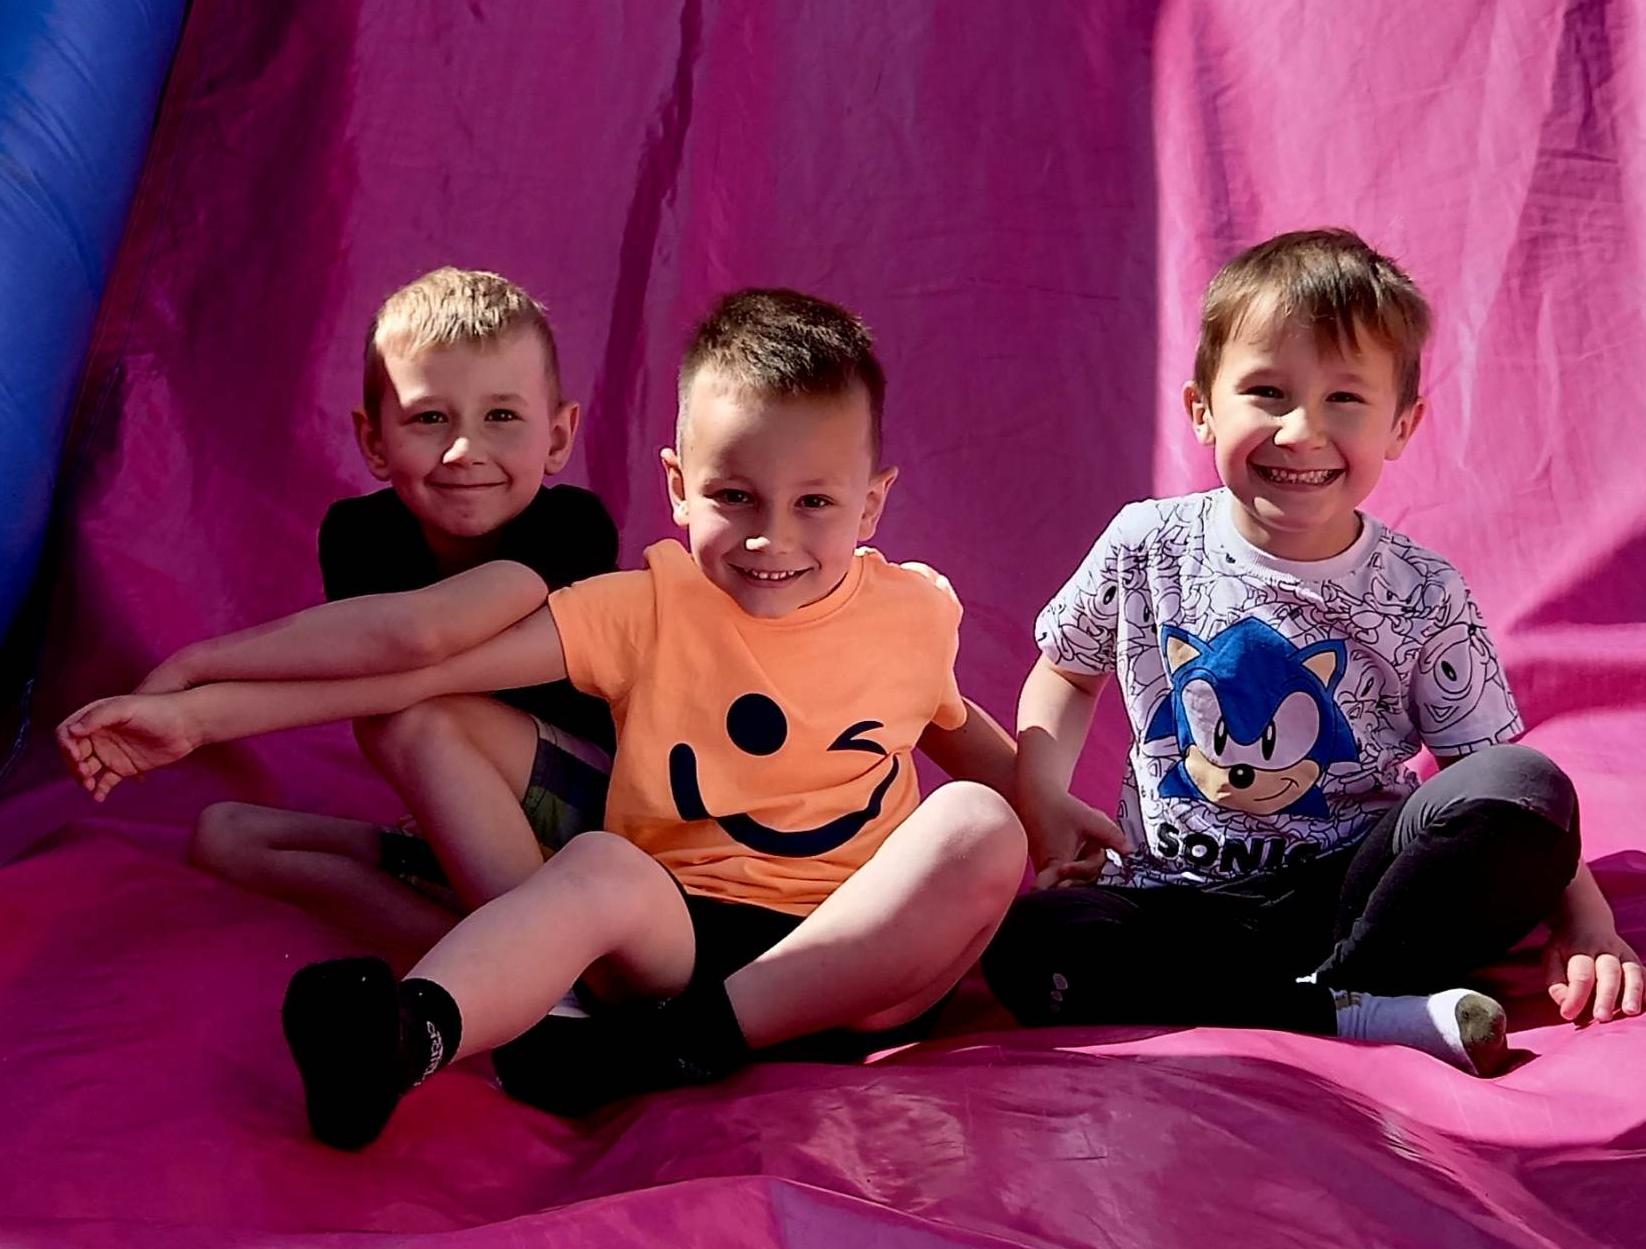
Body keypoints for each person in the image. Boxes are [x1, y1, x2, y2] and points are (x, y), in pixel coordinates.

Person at [58, 288, 1025, 1146]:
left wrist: (1049, 809)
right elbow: (427, 670)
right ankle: (408, 1039)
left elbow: (950, 724)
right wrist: (202, 717)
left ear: (872, 504)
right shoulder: (642, 605)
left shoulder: (913, 607)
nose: (772, 536)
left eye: (815, 501)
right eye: (735, 496)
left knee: (982, 822)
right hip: (681, 940)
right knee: (598, 865)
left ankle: (675, 1045)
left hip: (859, 965)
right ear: (678, 488)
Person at [981, 229, 1646, 1073]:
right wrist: (1041, 795)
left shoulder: (1421, 589)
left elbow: (1486, 770)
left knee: (1528, 787)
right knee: (1027, 946)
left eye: (1345, 399)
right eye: (1267, 392)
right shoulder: (1145, 544)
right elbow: (1066, 672)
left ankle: (1343, 984)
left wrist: (1586, 921)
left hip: (1361, 898)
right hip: (1176, 902)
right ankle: (1347, 1010)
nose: (1301, 431)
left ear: (1401, 425)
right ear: (1202, 407)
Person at [160, 267, 618, 959]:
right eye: (430, 418)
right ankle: (486, 952)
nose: (464, 451)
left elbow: (420, 636)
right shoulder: (359, 534)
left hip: (607, 818)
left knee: (407, 714)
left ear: (557, 437)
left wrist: (195, 672)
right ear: (375, 441)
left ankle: (539, 959)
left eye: (501, 417)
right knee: (223, 834)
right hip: (484, 822)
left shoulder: (572, 526)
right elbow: (353, 665)